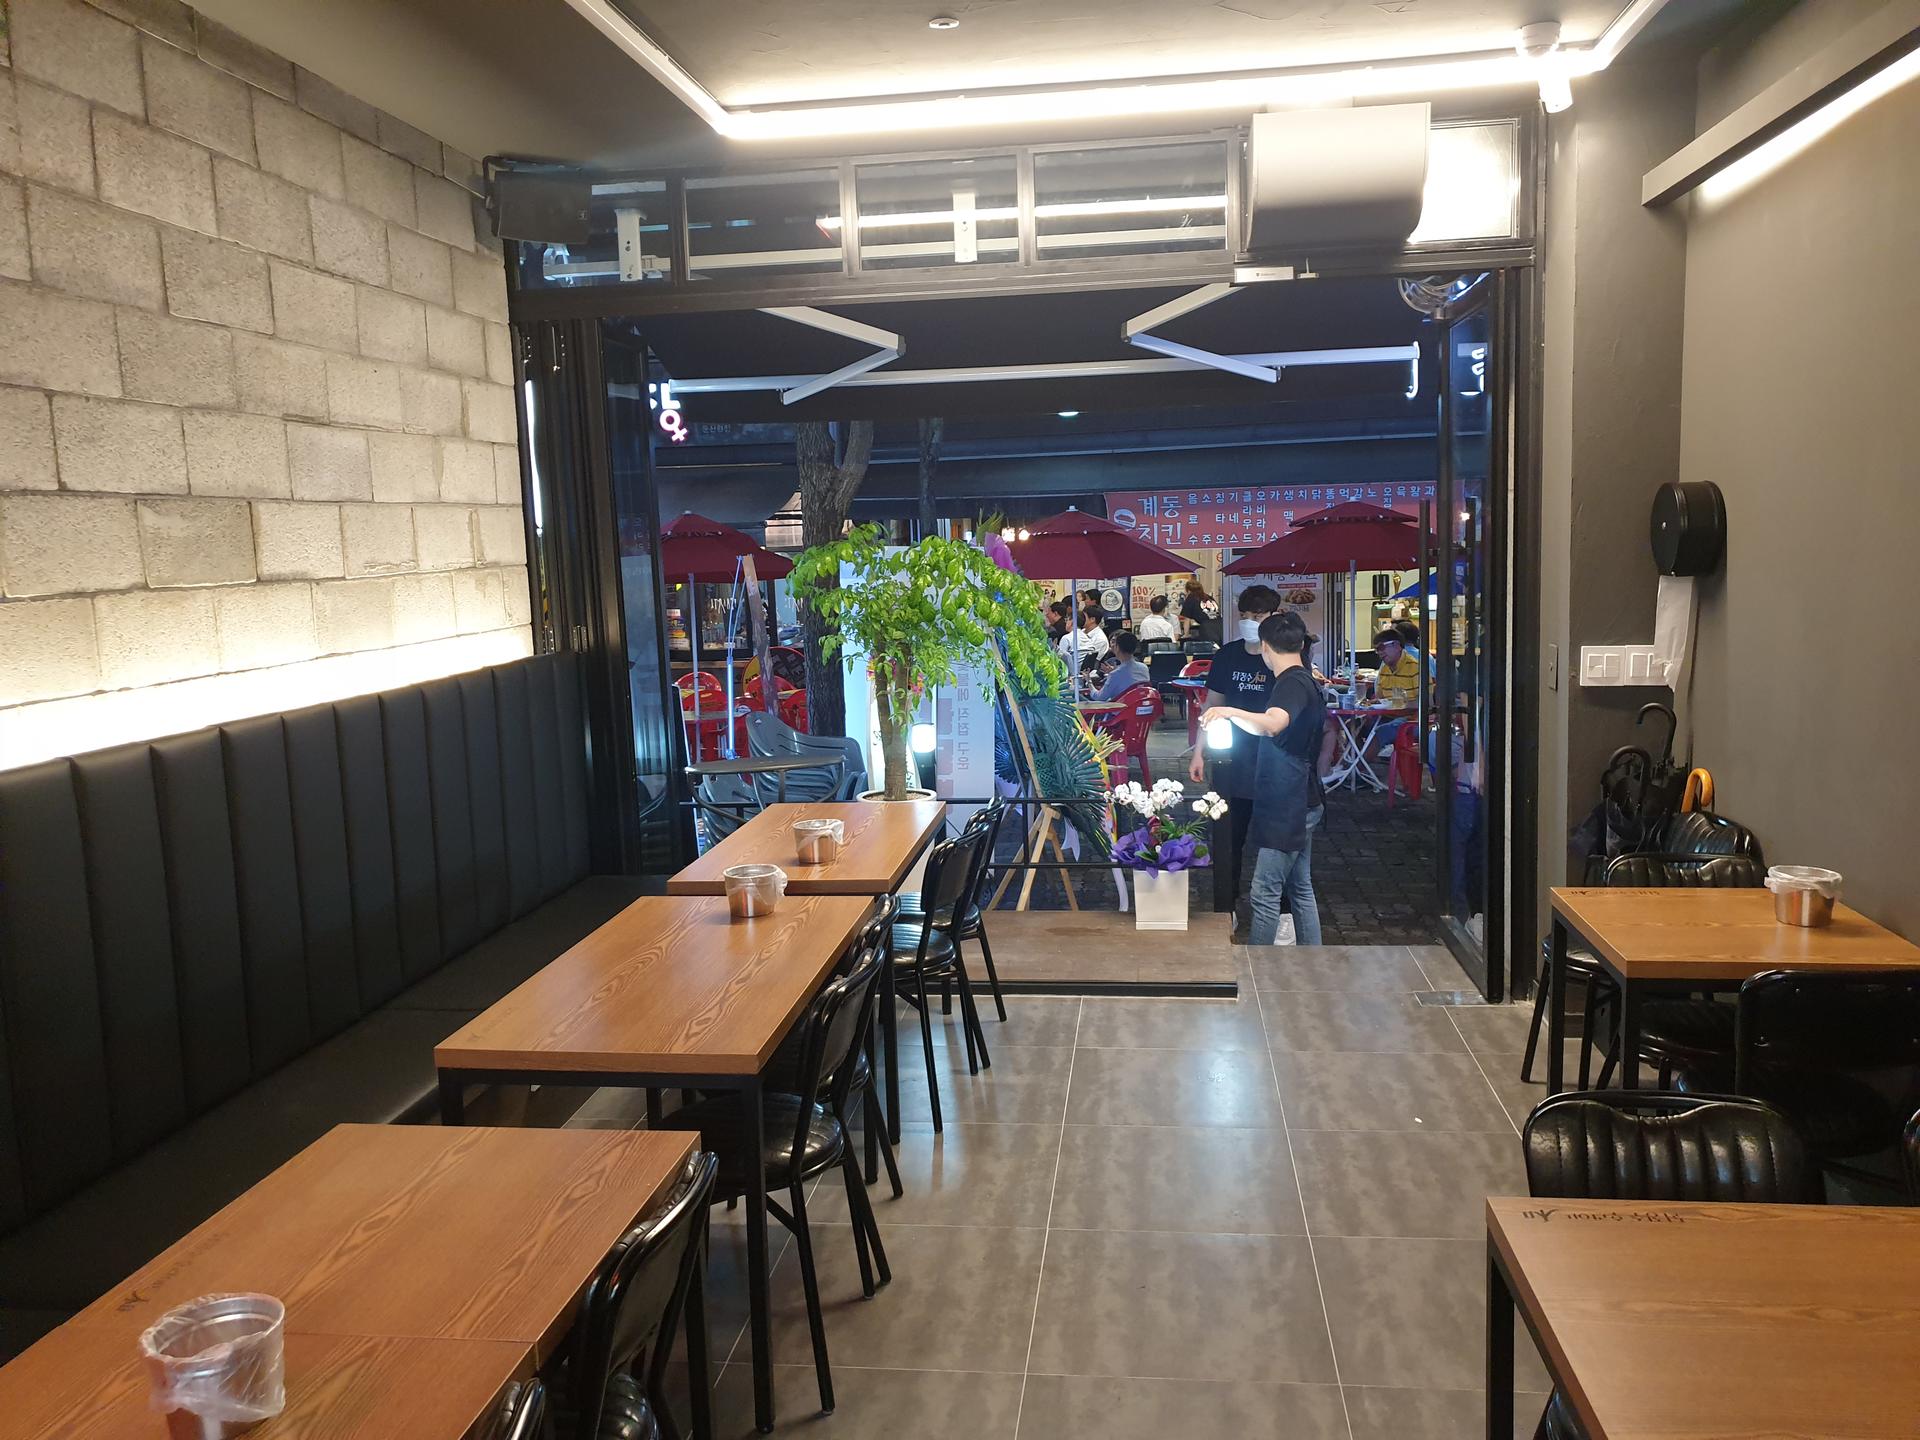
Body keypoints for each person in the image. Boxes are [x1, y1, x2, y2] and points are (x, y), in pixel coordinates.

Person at [1201, 611, 1325, 946]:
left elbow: (1272, 724)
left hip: (1290, 802)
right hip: (1300, 797)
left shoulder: (1292, 683)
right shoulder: (1303, 679)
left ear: (1266, 647)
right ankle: (1315, 958)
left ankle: (1256, 965)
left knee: (1264, 891)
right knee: (1299, 887)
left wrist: (1229, 711)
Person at [1187, 585, 1279, 934]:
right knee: (1228, 837)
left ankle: (1281, 911)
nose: (1250, 622)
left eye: (1258, 616)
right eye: (1245, 616)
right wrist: (1199, 751)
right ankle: (1227, 906)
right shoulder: (1227, 656)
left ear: (1273, 617)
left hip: (1273, 762)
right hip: (1231, 760)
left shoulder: (1282, 658)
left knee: (1274, 842)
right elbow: (1212, 705)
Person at [1092, 631, 1150, 702]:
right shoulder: (1144, 668)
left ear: (1117, 647)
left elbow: (1100, 697)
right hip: (1139, 705)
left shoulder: (1115, 674)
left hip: (1120, 707)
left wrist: (1089, 683)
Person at [1057, 604, 1109, 671]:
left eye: (1084, 617)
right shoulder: (1084, 634)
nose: (1082, 618)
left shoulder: (1100, 639)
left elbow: (1060, 660)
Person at [1179, 580, 1220, 645]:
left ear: (1188, 590)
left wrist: (1186, 634)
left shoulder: (1191, 597)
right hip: (1219, 626)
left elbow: (1187, 619)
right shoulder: (1208, 597)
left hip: (1207, 628)